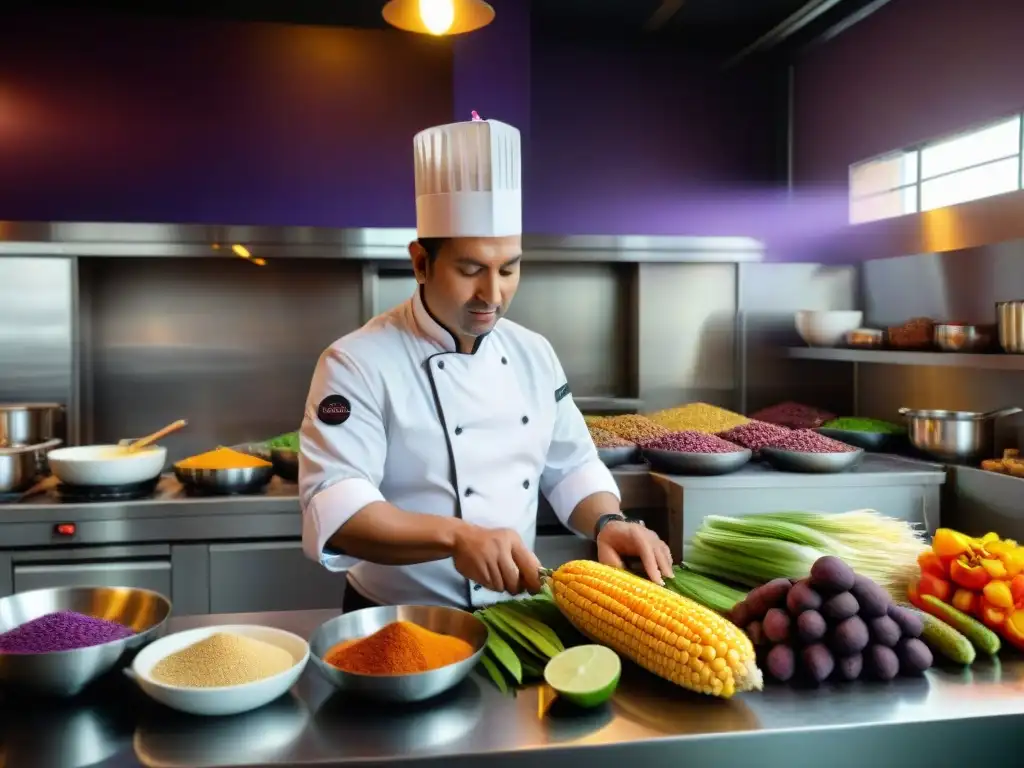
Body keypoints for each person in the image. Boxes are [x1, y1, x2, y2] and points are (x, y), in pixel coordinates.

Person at [299, 112, 673, 612]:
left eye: (509, 269)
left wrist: (609, 522)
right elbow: (338, 511)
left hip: (513, 618)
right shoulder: (355, 362)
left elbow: (572, 467)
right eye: (471, 269)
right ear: (420, 263)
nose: (491, 295)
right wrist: (456, 537)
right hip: (395, 623)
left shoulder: (533, 354)